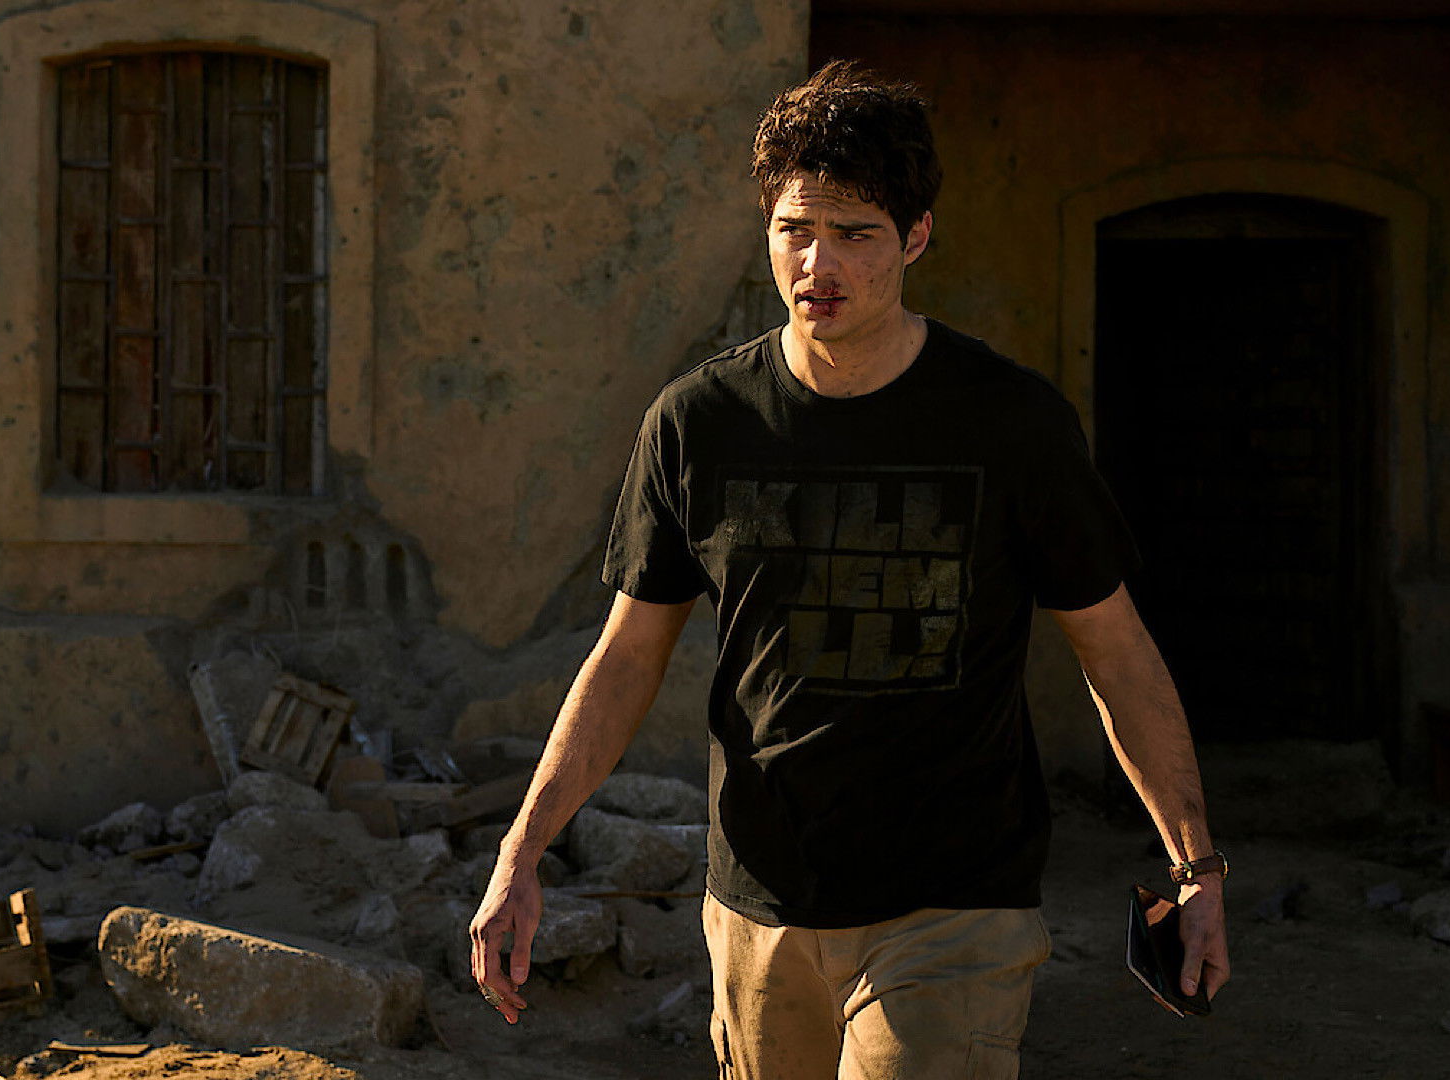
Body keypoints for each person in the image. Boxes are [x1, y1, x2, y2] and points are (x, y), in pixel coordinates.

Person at [469, 59, 1230, 1078]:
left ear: (916, 237)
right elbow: (626, 657)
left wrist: (1195, 865)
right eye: (795, 229)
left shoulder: (1011, 424)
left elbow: (1114, 652)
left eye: (856, 234)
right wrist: (521, 854)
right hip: (760, 905)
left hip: (954, 904)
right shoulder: (700, 423)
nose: (817, 263)